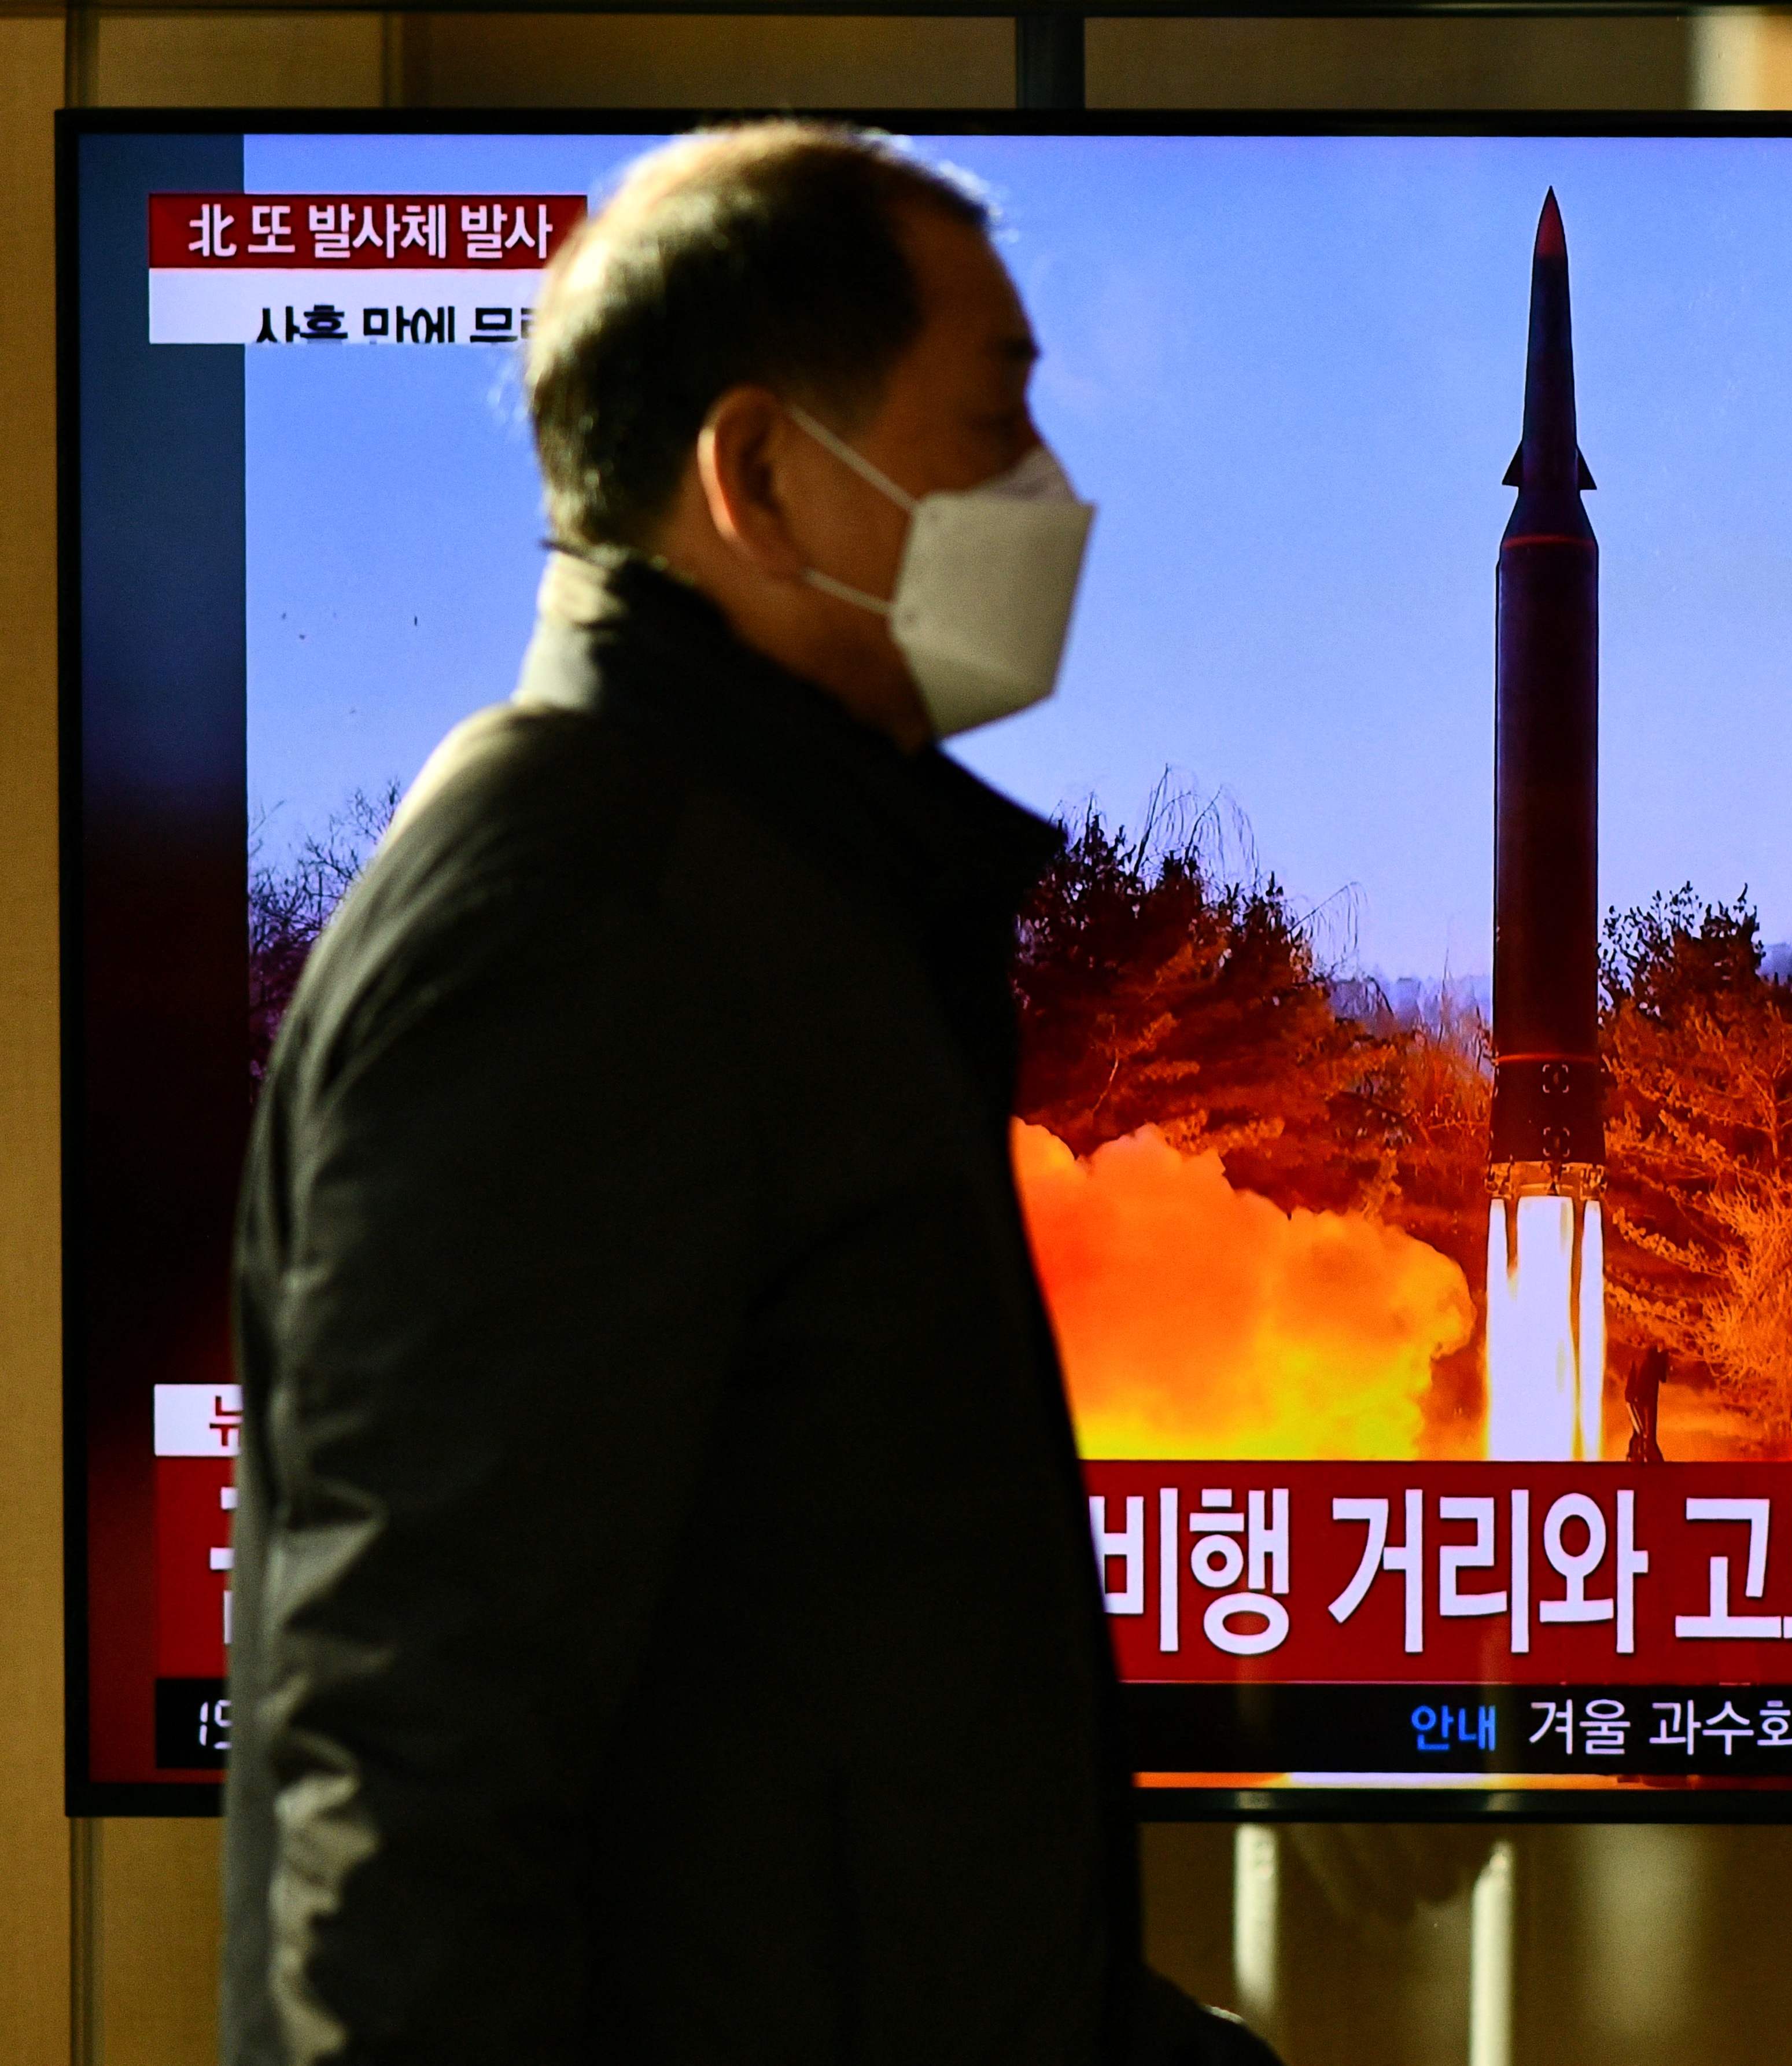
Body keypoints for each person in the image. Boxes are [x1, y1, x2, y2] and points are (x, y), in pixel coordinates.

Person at [222, 123, 1271, 2066]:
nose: (1044, 499)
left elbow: (804, 1769)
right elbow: (408, 1801)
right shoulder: (578, 926)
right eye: (993, 424)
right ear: (764, 472)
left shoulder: (775, 899)